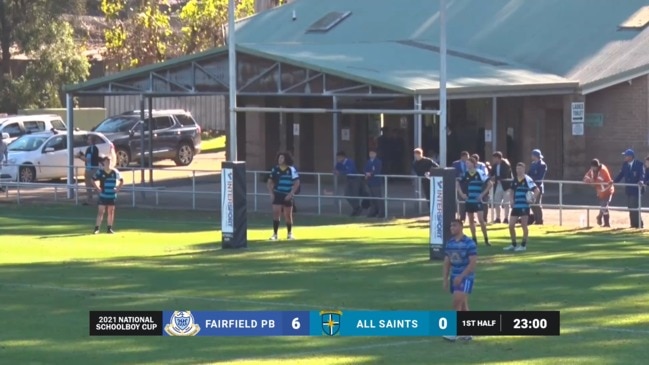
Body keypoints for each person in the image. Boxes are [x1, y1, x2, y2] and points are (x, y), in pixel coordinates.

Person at [442, 219, 477, 342]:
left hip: (465, 278)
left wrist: (461, 276)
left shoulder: (469, 243)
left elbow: (472, 263)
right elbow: (447, 262)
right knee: (463, 306)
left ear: (461, 227)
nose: (452, 227)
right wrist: (445, 279)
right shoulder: (450, 243)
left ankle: (453, 332)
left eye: (454, 225)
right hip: (454, 277)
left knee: (456, 303)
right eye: (451, 225)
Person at [456, 158, 492, 246]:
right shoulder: (466, 174)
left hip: (477, 200)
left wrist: (482, 195)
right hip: (469, 200)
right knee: (471, 220)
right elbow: (457, 182)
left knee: (481, 220)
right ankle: (474, 239)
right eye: (466, 163)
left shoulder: (479, 172)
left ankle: (486, 239)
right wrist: (462, 194)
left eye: (468, 163)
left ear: (473, 164)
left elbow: (490, 184)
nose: (467, 165)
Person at [504, 162, 540, 252]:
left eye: (520, 169)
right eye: (517, 169)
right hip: (516, 206)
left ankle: (523, 245)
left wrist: (532, 198)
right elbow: (511, 191)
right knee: (511, 225)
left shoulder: (527, 179)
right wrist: (511, 200)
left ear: (524, 169)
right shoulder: (515, 180)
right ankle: (513, 244)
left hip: (524, 206)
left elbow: (537, 190)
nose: (518, 170)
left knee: (523, 225)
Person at [267, 152, 300, 240]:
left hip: (287, 195)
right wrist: (271, 193)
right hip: (277, 194)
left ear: (286, 159)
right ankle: (275, 234)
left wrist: (291, 194)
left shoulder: (291, 169)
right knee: (276, 214)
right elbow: (269, 182)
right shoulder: (275, 169)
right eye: (279, 158)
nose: (279, 159)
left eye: (281, 158)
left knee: (288, 215)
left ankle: (289, 234)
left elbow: (297, 183)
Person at [613, 149, 645, 228]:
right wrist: (613, 181)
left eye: (626, 156)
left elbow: (642, 174)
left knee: (635, 206)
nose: (625, 157)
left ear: (631, 157)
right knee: (630, 207)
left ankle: (639, 224)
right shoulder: (625, 165)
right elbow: (621, 175)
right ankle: (633, 224)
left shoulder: (639, 164)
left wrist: (641, 181)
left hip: (636, 190)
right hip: (629, 190)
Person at [92, 155, 124, 234]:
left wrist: (118, 189)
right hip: (103, 195)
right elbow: (92, 179)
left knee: (111, 212)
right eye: (106, 161)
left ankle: (109, 228)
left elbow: (122, 180)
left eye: (109, 161)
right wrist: (97, 188)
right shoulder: (100, 172)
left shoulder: (114, 172)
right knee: (101, 212)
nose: (108, 163)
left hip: (111, 195)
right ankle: (97, 228)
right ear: (103, 163)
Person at [583, 159, 614, 227]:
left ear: (597, 166)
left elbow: (596, 183)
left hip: (608, 190)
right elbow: (585, 178)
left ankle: (606, 223)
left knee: (604, 206)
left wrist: (591, 181)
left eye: (594, 167)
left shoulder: (603, 170)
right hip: (600, 191)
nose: (592, 169)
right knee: (603, 206)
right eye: (592, 167)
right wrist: (588, 180)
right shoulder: (592, 170)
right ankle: (600, 217)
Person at [334, 151, 362, 216]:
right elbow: (336, 169)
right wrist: (335, 171)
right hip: (348, 179)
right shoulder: (339, 163)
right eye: (337, 158)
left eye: (338, 158)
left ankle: (356, 209)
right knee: (346, 194)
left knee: (355, 195)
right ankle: (356, 207)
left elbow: (350, 170)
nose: (337, 159)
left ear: (343, 157)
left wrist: (340, 172)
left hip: (355, 179)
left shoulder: (350, 162)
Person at [490, 152, 513, 224]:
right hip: (498, 185)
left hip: (506, 186)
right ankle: (498, 217)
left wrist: (495, 177)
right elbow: (491, 173)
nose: (493, 159)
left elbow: (504, 175)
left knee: (506, 203)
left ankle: (506, 218)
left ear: (498, 158)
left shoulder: (506, 164)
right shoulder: (495, 165)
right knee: (497, 202)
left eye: (494, 158)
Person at [78, 135, 101, 205]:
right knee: (88, 185)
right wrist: (81, 156)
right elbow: (86, 158)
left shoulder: (93, 149)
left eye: (89, 139)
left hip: (92, 169)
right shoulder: (89, 149)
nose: (88, 141)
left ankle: (100, 198)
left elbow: (88, 159)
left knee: (92, 185)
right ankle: (90, 199)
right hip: (89, 169)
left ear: (92, 141)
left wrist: (79, 156)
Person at [528, 149, 547, 225]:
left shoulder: (542, 165)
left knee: (537, 204)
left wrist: (532, 179)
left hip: (538, 187)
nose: (531, 156)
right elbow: (529, 173)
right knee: (532, 203)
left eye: (533, 155)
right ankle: (536, 219)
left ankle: (540, 220)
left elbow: (540, 176)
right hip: (531, 187)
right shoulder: (533, 164)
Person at [364, 149, 383, 218]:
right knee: (372, 198)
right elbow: (365, 169)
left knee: (378, 197)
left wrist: (370, 174)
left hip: (376, 182)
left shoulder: (378, 162)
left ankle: (381, 212)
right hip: (370, 182)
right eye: (370, 153)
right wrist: (366, 174)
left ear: (375, 154)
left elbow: (377, 170)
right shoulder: (368, 162)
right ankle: (373, 211)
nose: (371, 155)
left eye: (372, 153)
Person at [452, 151, 470, 221]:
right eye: (465, 157)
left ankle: (471, 217)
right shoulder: (455, 164)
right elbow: (453, 173)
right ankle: (462, 217)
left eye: (468, 157)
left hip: (468, 184)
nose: (467, 159)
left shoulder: (470, 163)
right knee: (461, 201)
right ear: (462, 157)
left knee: (469, 202)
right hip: (459, 184)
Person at [472, 153, 489, 222]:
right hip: (473, 187)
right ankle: (473, 218)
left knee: (484, 201)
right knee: (472, 202)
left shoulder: (482, 165)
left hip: (482, 186)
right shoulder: (469, 167)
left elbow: (485, 174)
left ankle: (484, 218)